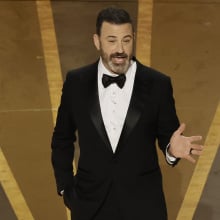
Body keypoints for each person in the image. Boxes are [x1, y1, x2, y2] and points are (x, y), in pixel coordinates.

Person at [51, 7, 203, 220]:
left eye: (126, 40)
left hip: (144, 207)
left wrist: (171, 151)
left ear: (133, 39)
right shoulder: (77, 82)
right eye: (111, 40)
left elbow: (169, 137)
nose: (120, 49)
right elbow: (62, 138)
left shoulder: (158, 84)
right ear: (97, 41)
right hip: (90, 205)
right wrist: (66, 188)